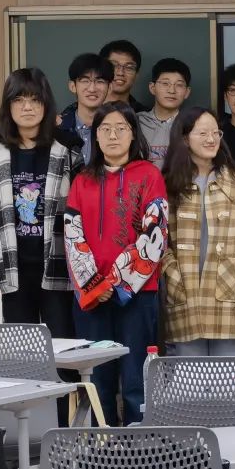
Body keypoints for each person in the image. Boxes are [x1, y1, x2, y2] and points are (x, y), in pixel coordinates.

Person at [64, 101, 169, 425]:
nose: (113, 136)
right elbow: (72, 235)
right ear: (95, 136)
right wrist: (97, 285)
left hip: (138, 294)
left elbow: (156, 233)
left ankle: (141, 442)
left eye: (121, 129)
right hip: (93, 297)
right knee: (98, 378)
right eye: (105, 129)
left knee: (137, 375)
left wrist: (116, 282)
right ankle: (103, 443)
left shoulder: (149, 175)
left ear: (133, 134)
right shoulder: (82, 180)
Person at [0, 68, 81, 341]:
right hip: (9, 269)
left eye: (35, 100)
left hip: (59, 268)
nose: (27, 107)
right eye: (19, 99)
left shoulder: (67, 152)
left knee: (64, 347)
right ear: (8, 106)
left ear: (46, 106)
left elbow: (84, 208)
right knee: (17, 349)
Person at [162, 107, 235, 355]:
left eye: (216, 132)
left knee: (227, 372)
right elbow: (160, 241)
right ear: (184, 138)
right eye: (202, 133)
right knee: (189, 372)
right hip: (184, 289)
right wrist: (171, 274)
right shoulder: (169, 184)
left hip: (228, 290)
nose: (211, 139)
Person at [56, 53, 114, 164]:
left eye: (100, 81)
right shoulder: (59, 127)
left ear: (110, 88)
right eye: (85, 81)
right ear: (72, 86)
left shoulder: (118, 129)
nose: (92, 89)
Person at [139, 57, 192, 170]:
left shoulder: (192, 125)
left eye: (179, 85)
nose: (171, 90)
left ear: (187, 92)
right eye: (165, 83)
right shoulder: (137, 122)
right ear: (152, 88)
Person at [100, 39, 150, 112]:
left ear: (136, 75)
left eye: (129, 67)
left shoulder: (144, 115)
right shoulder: (84, 109)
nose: (120, 73)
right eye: (113, 66)